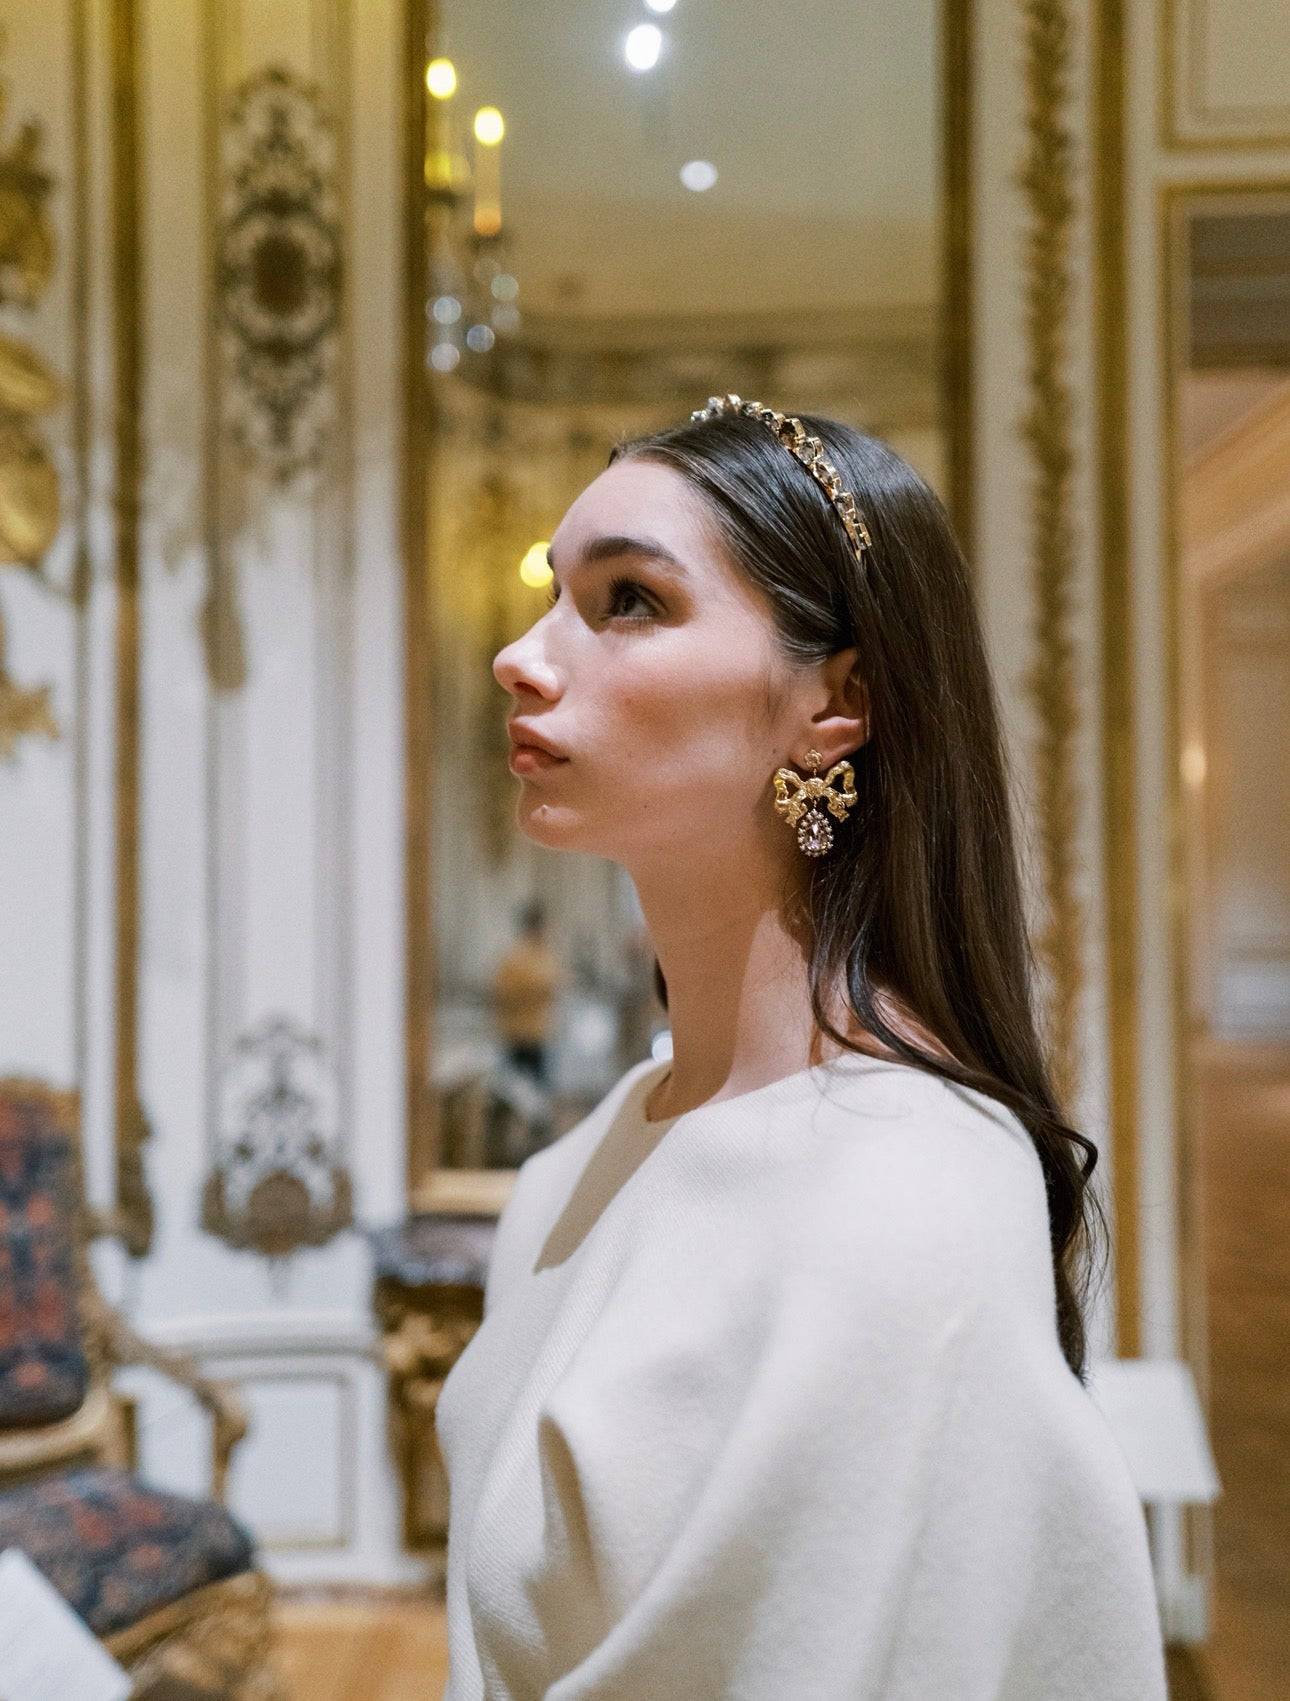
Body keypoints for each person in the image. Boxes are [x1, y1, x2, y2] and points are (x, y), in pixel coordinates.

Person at [435, 396, 1167, 1699]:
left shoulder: (904, 1196)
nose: (518, 657)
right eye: (554, 596)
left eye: (628, 602)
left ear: (835, 703)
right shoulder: (582, 1163)